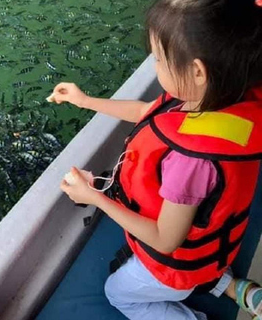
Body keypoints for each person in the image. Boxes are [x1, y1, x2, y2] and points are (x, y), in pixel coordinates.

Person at [50, 0, 262, 319]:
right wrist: (85, 101)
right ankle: (227, 285)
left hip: (176, 269)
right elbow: (144, 112)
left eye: (159, 59)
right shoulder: (222, 97)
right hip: (212, 248)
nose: (155, 66)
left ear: (197, 71)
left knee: (119, 294)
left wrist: (93, 197)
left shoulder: (191, 162)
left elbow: (165, 240)